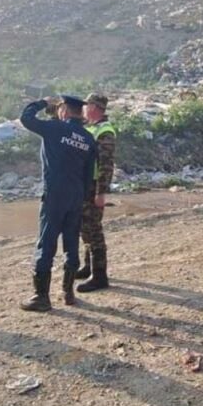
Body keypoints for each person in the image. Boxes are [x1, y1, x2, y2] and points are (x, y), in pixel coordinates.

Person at [19, 95, 97, 312]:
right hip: (76, 196)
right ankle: (68, 292)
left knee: (46, 243)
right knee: (71, 244)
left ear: (64, 110)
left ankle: (41, 297)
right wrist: (83, 198)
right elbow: (89, 175)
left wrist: (43, 102)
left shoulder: (54, 128)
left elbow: (26, 118)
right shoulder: (88, 138)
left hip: (55, 195)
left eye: (59, 107)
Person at [76, 93, 117, 292]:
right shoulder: (89, 126)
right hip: (84, 184)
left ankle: (99, 275)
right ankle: (88, 266)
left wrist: (101, 192)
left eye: (87, 105)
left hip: (94, 186)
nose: (84, 108)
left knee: (94, 229)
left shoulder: (104, 131)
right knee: (84, 227)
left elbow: (106, 165)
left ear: (93, 107)